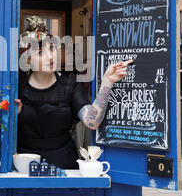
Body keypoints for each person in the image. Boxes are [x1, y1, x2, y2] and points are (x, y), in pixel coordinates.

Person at [15, 15, 132, 169]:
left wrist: (107, 82)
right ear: (28, 59)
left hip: (64, 167)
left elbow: (92, 121)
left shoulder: (70, 86)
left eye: (51, 48)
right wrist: (11, 115)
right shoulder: (16, 86)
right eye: (40, 52)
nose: (50, 56)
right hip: (25, 166)